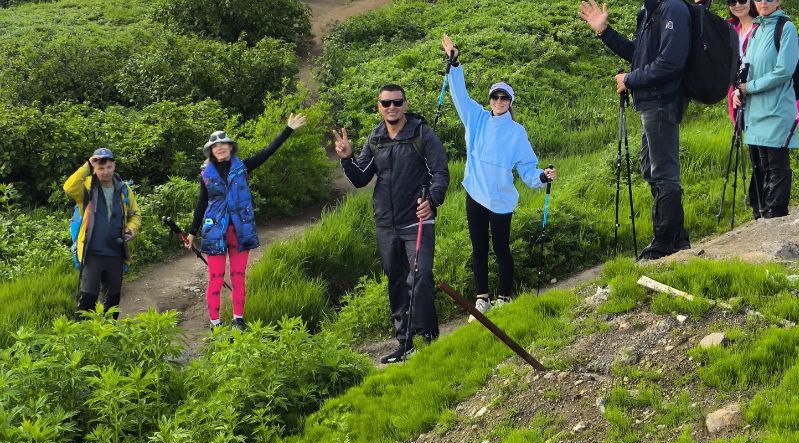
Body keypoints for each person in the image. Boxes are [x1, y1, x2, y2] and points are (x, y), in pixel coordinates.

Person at [578, 0, 691, 260]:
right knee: (650, 167)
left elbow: (670, 63)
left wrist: (629, 80)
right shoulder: (649, 10)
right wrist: (604, 32)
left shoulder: (672, 9)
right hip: (650, 102)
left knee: (663, 170)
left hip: (663, 101)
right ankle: (676, 236)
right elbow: (639, 56)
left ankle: (665, 242)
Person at [439, 33, 555, 311]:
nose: (499, 101)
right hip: (475, 193)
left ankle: (504, 297)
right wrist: (454, 63)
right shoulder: (475, 117)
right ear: (490, 99)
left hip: (501, 199)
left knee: (501, 250)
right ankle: (482, 299)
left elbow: (527, 167)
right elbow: (460, 95)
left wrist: (541, 176)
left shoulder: (517, 132)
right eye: (495, 96)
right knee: (478, 249)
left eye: (504, 98)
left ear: (510, 102)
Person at [333, 85, 449, 363]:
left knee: (420, 276)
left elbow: (441, 172)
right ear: (379, 106)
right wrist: (347, 159)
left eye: (397, 102)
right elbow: (361, 178)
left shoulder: (422, 133)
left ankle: (429, 337)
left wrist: (431, 201)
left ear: (405, 105)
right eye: (386, 103)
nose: (391, 107)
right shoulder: (376, 137)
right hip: (385, 222)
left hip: (418, 219)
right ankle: (404, 342)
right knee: (396, 281)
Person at [186, 113, 306, 331]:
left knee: (239, 276)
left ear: (231, 148)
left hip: (240, 230)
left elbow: (267, 152)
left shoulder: (243, 167)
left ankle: (238, 320)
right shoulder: (206, 175)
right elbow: (201, 203)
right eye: (216, 146)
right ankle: (215, 323)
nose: (220, 148)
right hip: (214, 231)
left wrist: (288, 129)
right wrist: (192, 232)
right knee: (215, 277)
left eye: (224, 144)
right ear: (211, 152)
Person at [732, 0, 799, 218]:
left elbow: (783, 71)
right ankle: (760, 212)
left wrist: (749, 87)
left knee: (776, 164)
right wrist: (736, 92)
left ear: (778, 0)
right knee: (759, 164)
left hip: (776, 108)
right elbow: (746, 67)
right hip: (753, 110)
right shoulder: (758, 29)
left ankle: (776, 212)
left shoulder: (786, 27)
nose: (764, 2)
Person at [64, 147, 142, 316]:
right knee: (87, 300)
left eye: (109, 167)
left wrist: (130, 229)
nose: (106, 172)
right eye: (101, 168)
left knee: (113, 300)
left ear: (114, 166)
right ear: (95, 168)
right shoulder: (86, 187)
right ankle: (84, 338)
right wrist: (87, 165)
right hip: (91, 252)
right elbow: (69, 188)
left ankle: (109, 335)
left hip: (115, 252)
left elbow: (135, 214)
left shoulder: (123, 189)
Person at [694, 0, 757, 123]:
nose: (737, 5)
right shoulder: (729, 28)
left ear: (751, 0)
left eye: (742, 0)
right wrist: (701, 9)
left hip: (756, 87)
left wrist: (743, 89)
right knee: (744, 135)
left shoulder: (761, 26)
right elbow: (705, 38)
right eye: (732, 2)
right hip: (735, 91)